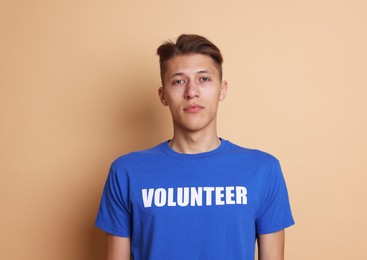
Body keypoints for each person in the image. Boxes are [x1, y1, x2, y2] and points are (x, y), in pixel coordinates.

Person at [96, 34, 294, 260]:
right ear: (163, 95)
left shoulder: (262, 170)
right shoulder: (125, 172)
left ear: (222, 89)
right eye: (179, 81)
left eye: (204, 79)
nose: (192, 92)